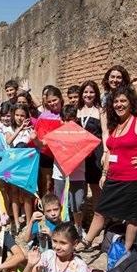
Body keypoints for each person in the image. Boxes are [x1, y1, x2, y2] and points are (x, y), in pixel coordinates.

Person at [78, 86, 137, 252]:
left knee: (131, 217)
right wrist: (105, 173)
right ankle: (86, 242)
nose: (119, 105)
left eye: (123, 101)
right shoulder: (116, 124)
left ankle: (125, 251)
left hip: (134, 178)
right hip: (113, 176)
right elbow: (111, 151)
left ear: (131, 103)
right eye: (116, 101)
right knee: (100, 211)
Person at [52, 105, 86, 237]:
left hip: (77, 174)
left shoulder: (82, 133)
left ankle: (78, 227)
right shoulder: (56, 134)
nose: (68, 123)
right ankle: (62, 227)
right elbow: (43, 143)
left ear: (76, 119)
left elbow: (88, 151)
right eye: (65, 120)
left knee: (77, 204)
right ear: (61, 120)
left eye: (71, 120)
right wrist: (35, 139)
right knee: (60, 202)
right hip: (60, 175)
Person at [5, 103, 38, 229]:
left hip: (27, 166)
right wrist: (19, 129)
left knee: (27, 193)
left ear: (27, 117)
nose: (19, 118)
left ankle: (29, 222)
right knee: (13, 193)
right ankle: (17, 222)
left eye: (22, 115)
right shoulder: (9, 129)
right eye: (17, 115)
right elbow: (9, 141)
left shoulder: (31, 130)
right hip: (13, 165)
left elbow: (36, 145)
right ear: (13, 116)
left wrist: (32, 135)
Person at [76, 80, 106, 203]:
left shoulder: (101, 111)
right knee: (79, 185)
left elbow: (105, 132)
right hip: (79, 153)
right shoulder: (76, 110)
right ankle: (79, 219)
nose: (88, 95)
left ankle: (98, 217)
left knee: (95, 186)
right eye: (85, 92)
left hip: (95, 152)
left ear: (96, 94)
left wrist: (105, 152)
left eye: (91, 92)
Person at [37, 86, 64, 196]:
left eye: (54, 100)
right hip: (46, 153)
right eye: (49, 101)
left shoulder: (67, 112)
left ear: (60, 98)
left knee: (61, 183)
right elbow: (39, 133)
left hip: (62, 154)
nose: (52, 103)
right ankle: (47, 207)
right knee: (47, 183)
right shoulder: (43, 115)